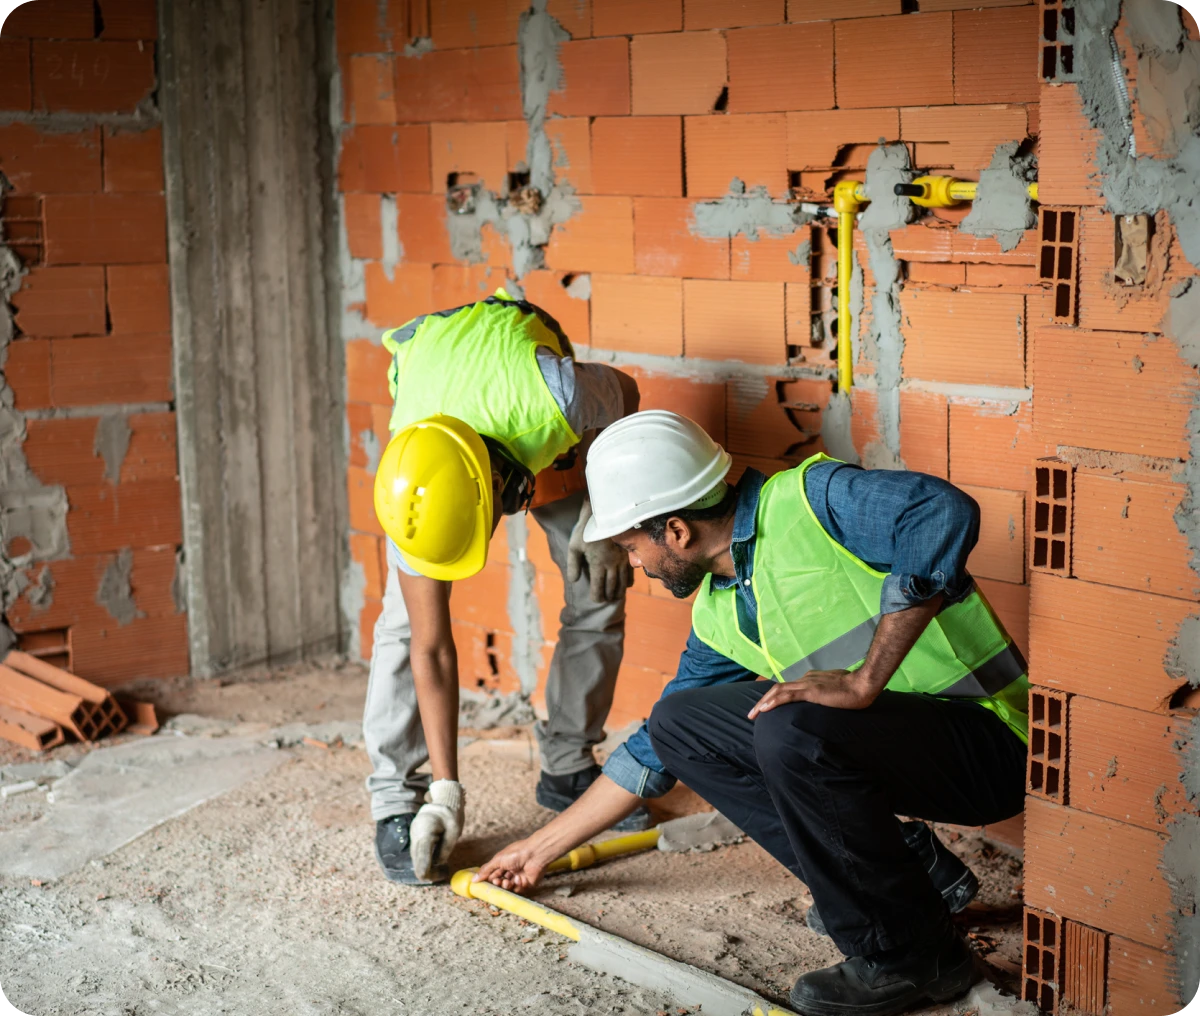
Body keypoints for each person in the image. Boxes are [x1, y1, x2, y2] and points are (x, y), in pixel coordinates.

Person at [477, 411, 1029, 1016]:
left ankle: (910, 956)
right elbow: (652, 751)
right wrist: (539, 847)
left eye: (633, 546)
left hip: (994, 746)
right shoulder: (720, 612)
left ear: (677, 531)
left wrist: (866, 679)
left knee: (789, 725)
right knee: (677, 723)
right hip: (912, 754)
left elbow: (941, 511)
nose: (635, 565)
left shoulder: (812, 502)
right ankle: (906, 876)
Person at [366, 290, 650, 886]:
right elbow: (434, 649)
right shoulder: (411, 480)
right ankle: (399, 797)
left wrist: (605, 516)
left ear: (502, 483)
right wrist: (448, 791)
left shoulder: (555, 399)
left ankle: (567, 767)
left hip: (523, 403)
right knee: (404, 626)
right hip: (438, 424)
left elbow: (626, 393)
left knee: (598, 578)